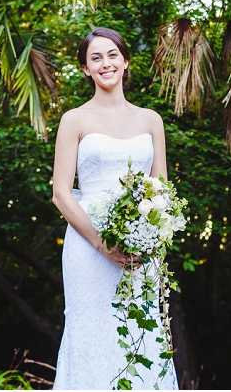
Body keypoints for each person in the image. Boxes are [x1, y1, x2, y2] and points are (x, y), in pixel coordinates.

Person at [51, 27, 178, 390]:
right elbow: (61, 193)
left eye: (111, 55)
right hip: (87, 245)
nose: (105, 63)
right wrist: (101, 243)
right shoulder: (74, 120)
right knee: (90, 328)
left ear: (125, 62)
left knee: (142, 330)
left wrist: (150, 236)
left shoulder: (150, 120)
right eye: (95, 58)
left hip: (140, 250)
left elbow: (161, 190)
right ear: (85, 69)